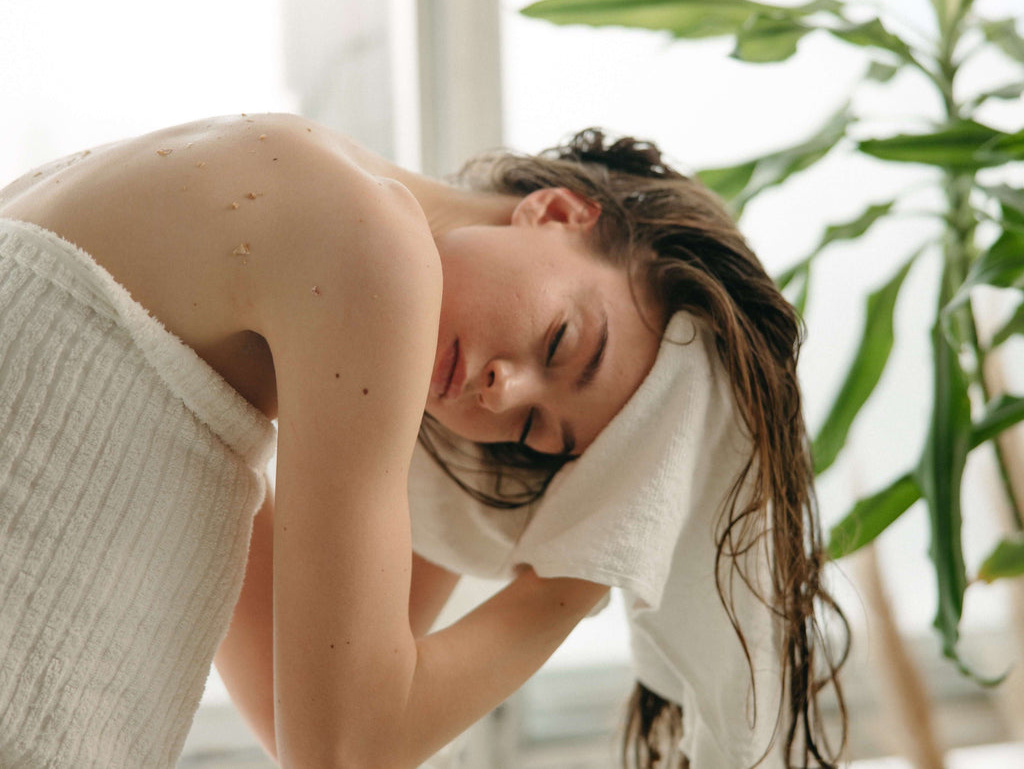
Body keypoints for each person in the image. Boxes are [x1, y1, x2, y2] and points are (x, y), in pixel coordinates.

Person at [0, 113, 845, 768]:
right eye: (561, 343)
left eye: (532, 432)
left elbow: (295, 710)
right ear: (555, 211)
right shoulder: (371, 250)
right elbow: (347, 752)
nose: (501, 392)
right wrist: (591, 564)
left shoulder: (321, 212)